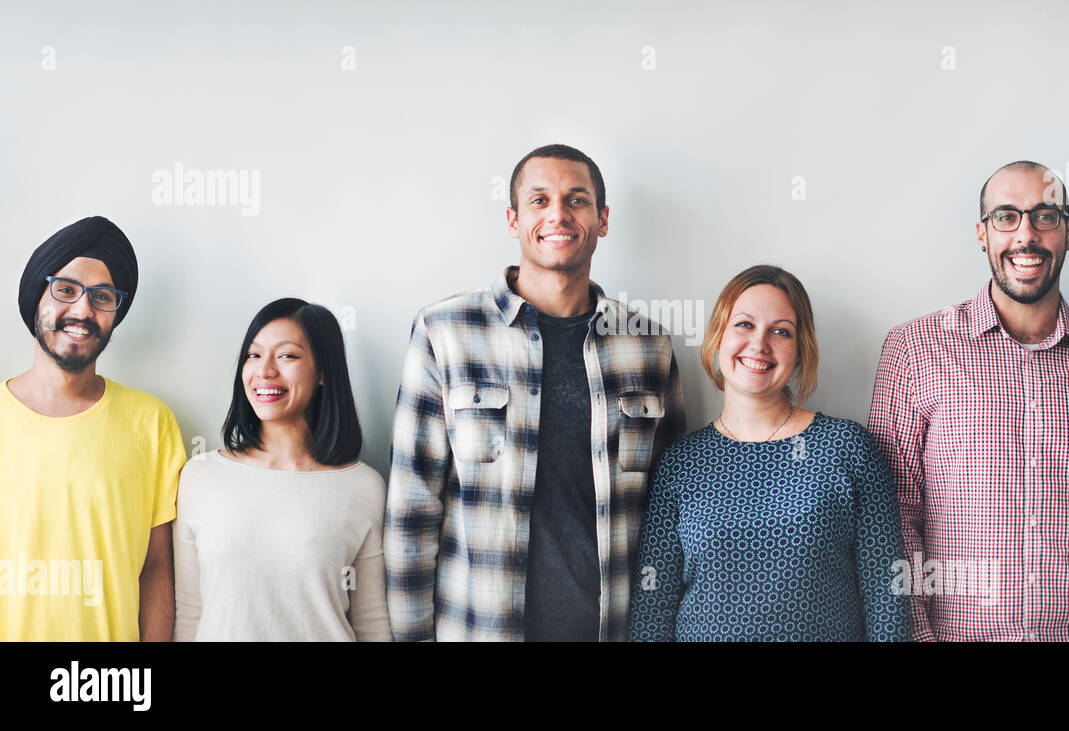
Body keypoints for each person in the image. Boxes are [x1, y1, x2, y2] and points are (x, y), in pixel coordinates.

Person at [386, 144, 687, 641]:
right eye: (540, 200)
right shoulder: (446, 332)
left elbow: (672, 511)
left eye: (577, 200)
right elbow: (411, 511)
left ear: (603, 218)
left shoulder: (648, 346)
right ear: (513, 219)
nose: (558, 215)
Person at [868, 161, 1069, 641]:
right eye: (1006, 216)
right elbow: (896, 516)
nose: (1027, 235)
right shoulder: (915, 349)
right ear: (982, 234)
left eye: (1045, 215)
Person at [628, 266, 909, 642]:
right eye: (744, 324)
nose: (760, 344)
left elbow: (887, 588)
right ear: (717, 337)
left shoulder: (847, 448)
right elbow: (653, 603)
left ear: (799, 351)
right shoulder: (681, 463)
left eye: (781, 331)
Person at [0, 216, 183, 642]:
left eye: (102, 297)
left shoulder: (151, 422)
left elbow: (156, 571)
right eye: (66, 289)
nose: (83, 310)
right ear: (36, 299)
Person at [172, 298, 390, 641]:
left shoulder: (363, 487)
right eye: (254, 355)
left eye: (287, 355)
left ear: (322, 373)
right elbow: (189, 614)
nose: (265, 371)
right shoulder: (200, 477)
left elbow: (372, 624)